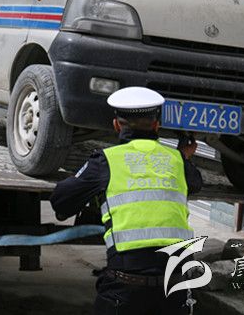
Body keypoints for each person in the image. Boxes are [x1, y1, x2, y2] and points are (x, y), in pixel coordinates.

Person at [50, 87, 203, 315]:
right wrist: (185, 156)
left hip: (126, 290)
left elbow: (61, 201)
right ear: (156, 126)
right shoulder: (178, 160)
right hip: (175, 289)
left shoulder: (106, 161)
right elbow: (195, 183)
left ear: (116, 125)